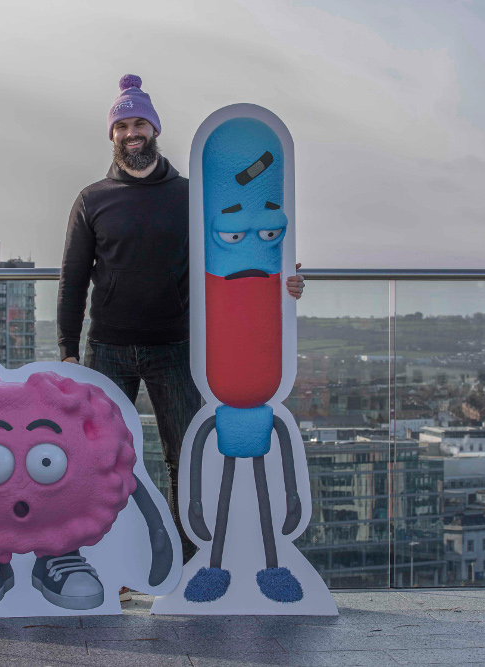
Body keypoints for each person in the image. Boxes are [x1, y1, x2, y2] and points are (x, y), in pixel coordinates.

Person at [57, 76, 305, 595]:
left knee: (185, 458)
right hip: (107, 350)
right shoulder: (92, 199)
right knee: (103, 461)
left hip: (176, 347)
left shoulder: (189, 196)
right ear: (112, 135)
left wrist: (282, 283)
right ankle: (113, 565)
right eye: (122, 125)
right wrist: (67, 353)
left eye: (139, 123)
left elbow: (231, 259)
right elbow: (73, 279)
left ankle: (184, 568)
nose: (131, 133)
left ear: (154, 129)